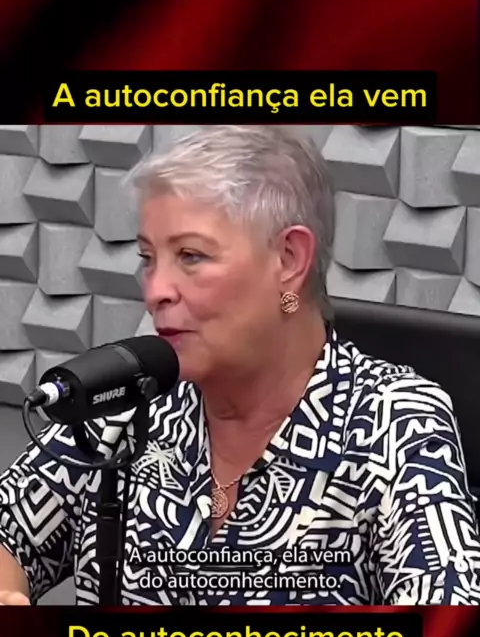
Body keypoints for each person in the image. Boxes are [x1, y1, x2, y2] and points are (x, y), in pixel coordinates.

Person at [0, 124, 479, 606]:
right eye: (148, 257)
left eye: (191, 256)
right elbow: (10, 529)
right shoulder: (131, 395)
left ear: (289, 259)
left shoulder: (394, 421)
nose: (154, 291)